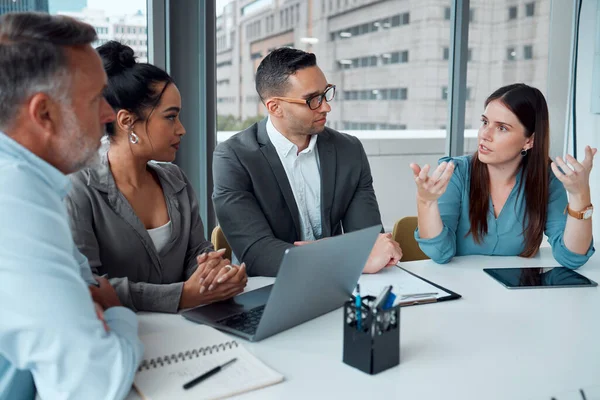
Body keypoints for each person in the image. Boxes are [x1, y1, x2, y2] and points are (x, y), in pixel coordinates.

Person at [0, 13, 143, 399]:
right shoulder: (12, 194)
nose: (110, 115)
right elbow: (96, 385)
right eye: (96, 98)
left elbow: (86, 285)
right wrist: (117, 314)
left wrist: (91, 305)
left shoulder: (34, 180)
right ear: (44, 113)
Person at [66, 41, 247, 314]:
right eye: (171, 117)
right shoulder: (79, 188)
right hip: (126, 335)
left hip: (189, 329)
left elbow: (196, 252)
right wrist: (182, 296)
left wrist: (217, 273)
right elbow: (87, 285)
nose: (182, 129)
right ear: (127, 121)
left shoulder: (175, 179)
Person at [213, 47, 402, 277]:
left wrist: (339, 253)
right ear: (275, 107)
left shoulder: (348, 150)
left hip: (340, 286)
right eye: (313, 99)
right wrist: (345, 256)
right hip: (270, 288)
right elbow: (257, 255)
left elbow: (370, 242)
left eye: (326, 93)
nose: (326, 107)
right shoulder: (233, 158)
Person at [410, 83, 595, 268]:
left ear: (529, 140)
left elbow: (572, 257)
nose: (485, 134)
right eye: (485, 122)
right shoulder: (457, 171)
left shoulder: (547, 179)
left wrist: (580, 196)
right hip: (461, 291)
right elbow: (440, 252)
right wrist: (426, 202)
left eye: (502, 128)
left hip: (515, 293)